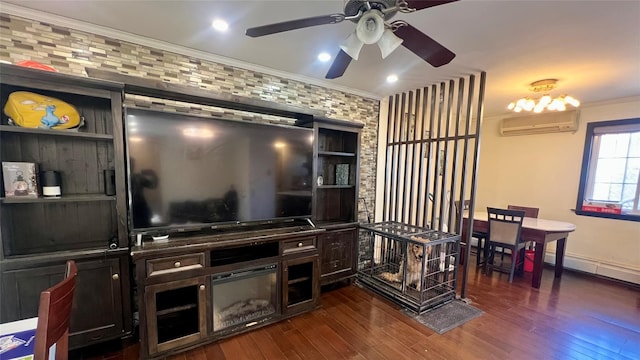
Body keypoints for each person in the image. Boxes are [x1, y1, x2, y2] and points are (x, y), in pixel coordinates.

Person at [130, 158, 158, 228]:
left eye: (133, 164)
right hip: (132, 208)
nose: (133, 166)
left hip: (141, 207)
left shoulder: (138, 177)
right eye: (131, 164)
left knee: (145, 227)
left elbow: (153, 185)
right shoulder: (123, 179)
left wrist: (152, 173)